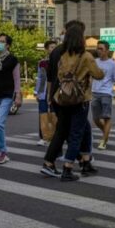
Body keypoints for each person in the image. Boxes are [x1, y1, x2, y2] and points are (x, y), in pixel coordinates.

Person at [42, 24, 104, 182]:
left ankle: (85, 161)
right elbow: (98, 75)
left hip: (63, 98)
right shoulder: (86, 56)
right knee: (76, 133)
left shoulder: (63, 56)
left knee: (76, 130)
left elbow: (59, 76)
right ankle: (68, 168)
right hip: (80, 99)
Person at [42, 19, 86, 177]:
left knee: (68, 129)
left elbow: (49, 77)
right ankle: (50, 162)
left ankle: (83, 159)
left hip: (56, 96)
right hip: (70, 97)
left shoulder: (56, 51)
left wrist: (48, 96)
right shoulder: (72, 52)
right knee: (66, 130)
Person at [0, 34, 22, 164]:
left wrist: (18, 95)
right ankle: (1, 151)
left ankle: (3, 152)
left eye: (2, 42)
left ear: (8, 45)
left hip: (7, 95)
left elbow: (17, 79)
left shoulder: (13, 60)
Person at [92, 41, 115, 148]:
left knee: (106, 117)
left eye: (101, 49)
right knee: (96, 119)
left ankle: (104, 141)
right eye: (98, 49)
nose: (99, 51)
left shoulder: (112, 64)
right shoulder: (94, 62)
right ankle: (105, 133)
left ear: (107, 50)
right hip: (94, 93)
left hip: (106, 93)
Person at [35, 40, 58, 146]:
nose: (53, 49)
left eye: (55, 47)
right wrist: (37, 92)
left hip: (56, 93)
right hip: (43, 93)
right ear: (46, 49)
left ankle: (56, 137)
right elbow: (40, 78)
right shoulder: (42, 63)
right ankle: (44, 137)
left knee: (55, 116)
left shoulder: (60, 62)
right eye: (51, 47)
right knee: (43, 114)